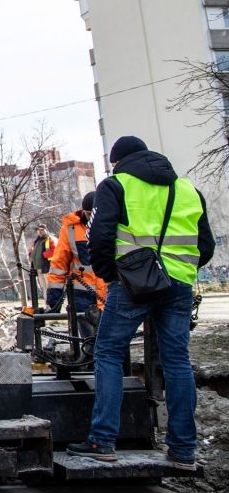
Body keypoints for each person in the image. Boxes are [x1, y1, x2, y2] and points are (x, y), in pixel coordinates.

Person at [67, 136, 215, 470]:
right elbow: (205, 247)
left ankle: (102, 440)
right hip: (178, 283)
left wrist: (110, 275)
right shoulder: (188, 190)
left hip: (131, 284)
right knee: (177, 362)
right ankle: (183, 450)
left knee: (107, 353)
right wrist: (177, 268)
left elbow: (100, 238)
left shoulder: (116, 185)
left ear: (118, 161)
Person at [45, 191, 107, 337]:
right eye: (88, 214)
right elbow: (59, 264)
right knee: (88, 342)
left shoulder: (113, 224)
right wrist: (54, 299)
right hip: (83, 295)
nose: (92, 218)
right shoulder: (71, 229)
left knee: (113, 344)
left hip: (110, 293)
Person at [29, 224, 55, 300]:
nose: (40, 232)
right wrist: (31, 253)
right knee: (44, 287)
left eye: (42, 230)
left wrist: (43, 255)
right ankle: (46, 304)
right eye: (38, 230)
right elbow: (32, 252)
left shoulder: (50, 239)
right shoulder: (36, 241)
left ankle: (51, 303)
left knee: (49, 286)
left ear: (46, 230)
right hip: (38, 268)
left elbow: (55, 251)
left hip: (47, 267)